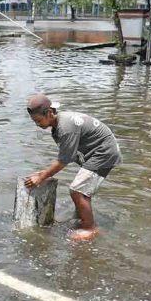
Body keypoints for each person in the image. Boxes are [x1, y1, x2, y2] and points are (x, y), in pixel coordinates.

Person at [24, 94, 122, 241]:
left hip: (104, 152)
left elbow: (64, 160)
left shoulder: (66, 127)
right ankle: (82, 217)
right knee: (81, 188)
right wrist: (44, 173)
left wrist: (42, 176)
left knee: (77, 190)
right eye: (35, 122)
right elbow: (65, 155)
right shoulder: (58, 127)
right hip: (94, 152)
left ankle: (90, 228)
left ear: (50, 113)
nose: (37, 125)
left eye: (38, 121)